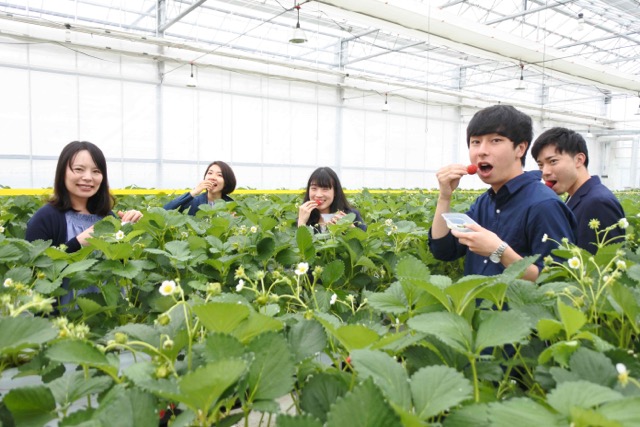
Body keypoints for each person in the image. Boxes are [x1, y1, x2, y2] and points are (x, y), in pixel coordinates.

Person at [428, 105, 576, 282]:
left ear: (520, 149)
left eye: (495, 140)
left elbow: (555, 280)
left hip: (515, 309)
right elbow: (443, 250)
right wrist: (445, 196)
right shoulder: (484, 202)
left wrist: (500, 251)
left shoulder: (544, 205)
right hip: (474, 308)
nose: (482, 150)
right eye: (476, 142)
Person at [26, 141, 143, 305]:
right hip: (63, 323)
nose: (88, 177)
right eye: (79, 169)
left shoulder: (107, 217)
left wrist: (132, 228)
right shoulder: (46, 218)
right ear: (62, 173)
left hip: (108, 319)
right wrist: (78, 243)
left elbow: (122, 268)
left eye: (96, 171)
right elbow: (33, 273)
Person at [531, 127, 625, 254]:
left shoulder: (599, 202)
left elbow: (606, 261)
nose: (545, 172)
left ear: (579, 160)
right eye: (540, 165)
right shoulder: (573, 197)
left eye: (553, 161)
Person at [297, 167, 367, 232]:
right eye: (314, 188)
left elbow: (364, 242)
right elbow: (299, 244)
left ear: (335, 192)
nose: (318, 195)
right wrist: (301, 222)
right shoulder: (304, 217)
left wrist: (351, 229)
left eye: (325, 189)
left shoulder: (351, 215)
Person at [163, 161, 236, 215]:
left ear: (226, 181)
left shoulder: (231, 206)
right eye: (210, 173)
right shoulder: (193, 202)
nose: (213, 178)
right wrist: (194, 192)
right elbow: (164, 211)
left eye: (219, 175)